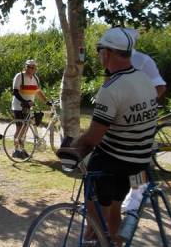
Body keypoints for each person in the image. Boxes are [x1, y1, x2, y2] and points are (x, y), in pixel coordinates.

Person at [59, 28, 158, 244]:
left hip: (115, 160)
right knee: (115, 203)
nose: (98, 54)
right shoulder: (145, 80)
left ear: (109, 53)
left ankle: (93, 235)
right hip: (138, 161)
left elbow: (93, 139)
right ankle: (112, 239)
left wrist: (71, 150)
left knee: (96, 213)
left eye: (99, 50)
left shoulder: (112, 88)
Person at [121, 28, 168, 213]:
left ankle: (137, 195)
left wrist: (143, 104)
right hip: (122, 116)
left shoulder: (143, 60)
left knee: (136, 157)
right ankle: (135, 191)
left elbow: (160, 86)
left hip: (139, 117)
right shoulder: (116, 61)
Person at [10, 59, 51, 158]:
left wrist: (46, 101)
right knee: (20, 128)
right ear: (25, 67)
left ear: (35, 69)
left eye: (33, 67)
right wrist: (25, 101)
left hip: (29, 106)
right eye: (29, 67)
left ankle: (22, 150)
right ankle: (16, 150)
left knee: (25, 128)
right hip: (19, 106)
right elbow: (15, 92)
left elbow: (38, 92)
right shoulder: (19, 76)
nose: (31, 69)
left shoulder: (35, 78)